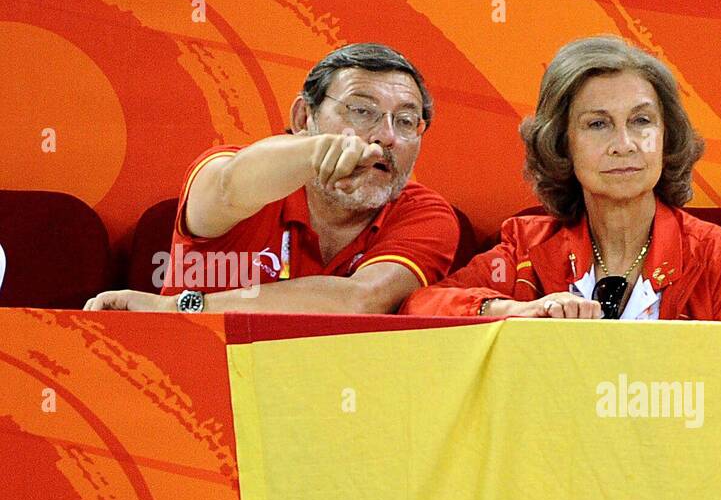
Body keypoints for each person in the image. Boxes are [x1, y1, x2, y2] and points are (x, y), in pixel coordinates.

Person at [401, 36, 721, 321]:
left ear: (666, 135)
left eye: (641, 121)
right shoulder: (525, 248)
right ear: (561, 143)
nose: (624, 145)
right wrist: (509, 311)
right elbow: (419, 307)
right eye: (598, 124)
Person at [84, 43, 460, 313]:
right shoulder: (230, 170)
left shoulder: (425, 213)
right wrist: (317, 153)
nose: (385, 136)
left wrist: (182, 307)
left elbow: (358, 300)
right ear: (302, 119)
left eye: (406, 121)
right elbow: (230, 188)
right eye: (362, 111)